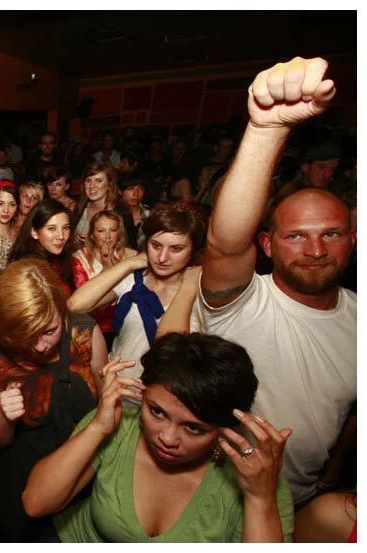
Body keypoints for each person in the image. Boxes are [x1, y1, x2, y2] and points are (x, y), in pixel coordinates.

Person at [193, 56, 355, 508]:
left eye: (331, 234)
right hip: (218, 498)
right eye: (296, 236)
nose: (316, 250)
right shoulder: (244, 301)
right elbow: (225, 244)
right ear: (266, 244)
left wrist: (336, 469)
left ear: (353, 238)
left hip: (302, 498)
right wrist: (266, 131)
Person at [23, 332, 294, 543]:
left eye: (194, 428)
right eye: (157, 411)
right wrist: (97, 429)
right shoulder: (119, 425)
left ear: (226, 427)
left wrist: (259, 499)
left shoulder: (257, 477)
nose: (167, 438)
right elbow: (35, 504)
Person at [0, 258, 108, 541]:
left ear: (62, 311)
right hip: (27, 489)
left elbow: (104, 404)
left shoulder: (85, 333)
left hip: (89, 480)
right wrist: (5, 418)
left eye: (49, 330)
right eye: (25, 334)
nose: (40, 346)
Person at [67, 204, 205, 387]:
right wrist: (129, 264)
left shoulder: (200, 291)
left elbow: (169, 351)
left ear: (193, 250)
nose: (162, 257)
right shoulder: (134, 279)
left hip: (165, 393)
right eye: (156, 245)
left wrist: (189, 285)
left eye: (176, 249)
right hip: (117, 386)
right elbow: (76, 305)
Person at [71, 210, 138, 348]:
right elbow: (86, 303)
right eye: (101, 231)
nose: (107, 236)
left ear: (119, 233)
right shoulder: (78, 259)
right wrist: (107, 269)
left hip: (127, 329)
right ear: (92, 235)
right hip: (91, 329)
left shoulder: (133, 257)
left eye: (113, 230)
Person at [8, 199, 75, 292]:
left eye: (65, 228)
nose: (61, 236)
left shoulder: (57, 257)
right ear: (35, 232)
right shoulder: (30, 270)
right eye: (52, 228)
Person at [72, 161, 119, 248]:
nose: (92, 186)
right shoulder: (80, 208)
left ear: (109, 185)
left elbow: (125, 248)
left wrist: (92, 243)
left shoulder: (120, 213)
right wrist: (74, 239)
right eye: (88, 181)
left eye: (98, 181)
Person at [116, 172, 153, 250]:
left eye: (141, 188)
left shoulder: (150, 214)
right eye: (130, 188)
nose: (136, 194)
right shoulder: (113, 214)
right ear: (120, 191)